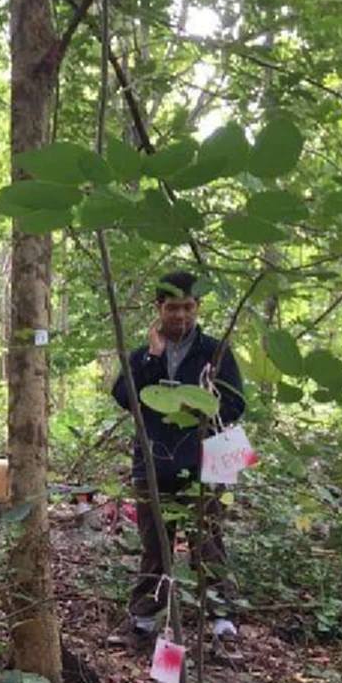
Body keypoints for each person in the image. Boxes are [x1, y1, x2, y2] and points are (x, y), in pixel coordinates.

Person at [109, 270, 246, 655]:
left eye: (188, 307)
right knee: (156, 547)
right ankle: (143, 622)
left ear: (197, 307)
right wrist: (152, 360)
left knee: (209, 545)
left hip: (204, 463)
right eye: (173, 308)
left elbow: (236, 404)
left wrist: (196, 403)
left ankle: (222, 625)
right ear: (159, 308)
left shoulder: (214, 352)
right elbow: (124, 396)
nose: (181, 316)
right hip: (152, 463)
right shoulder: (142, 354)